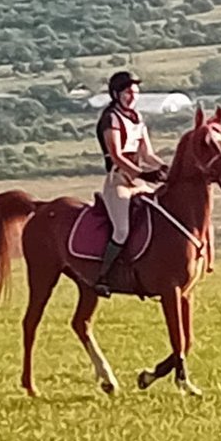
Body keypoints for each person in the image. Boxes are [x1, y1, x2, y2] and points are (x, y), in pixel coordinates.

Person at [94, 71, 168, 296]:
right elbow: (116, 155)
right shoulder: (111, 118)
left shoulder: (138, 118)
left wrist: (165, 168)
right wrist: (142, 174)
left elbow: (147, 154)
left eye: (135, 92)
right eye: (127, 92)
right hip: (119, 180)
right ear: (116, 94)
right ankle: (103, 276)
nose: (132, 96)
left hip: (137, 180)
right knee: (122, 230)